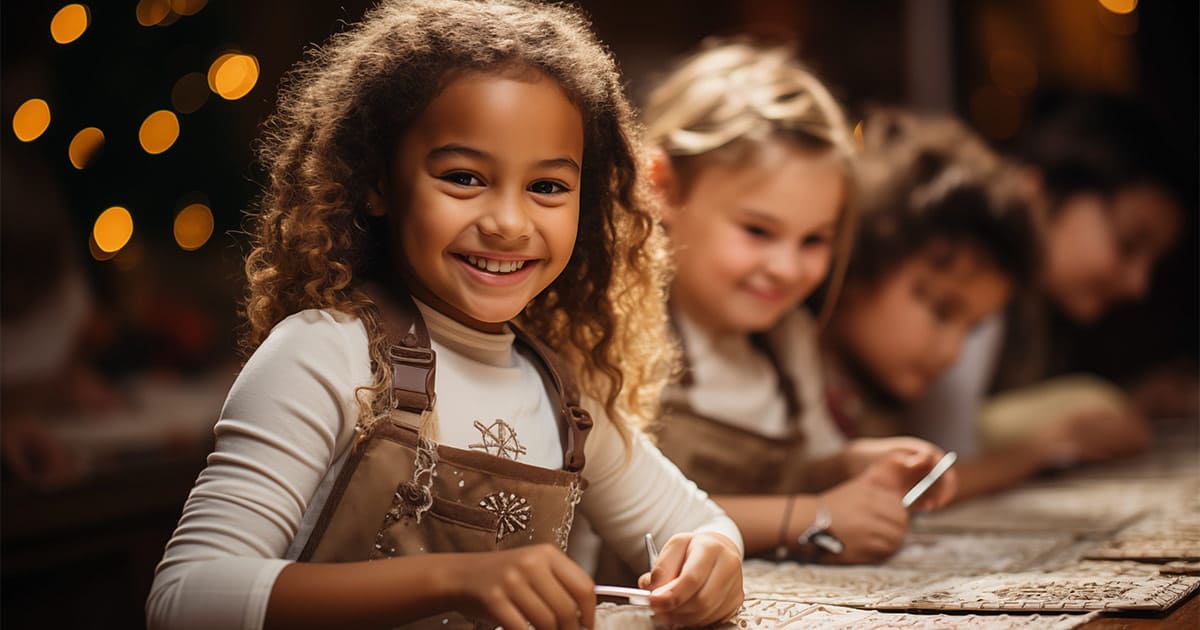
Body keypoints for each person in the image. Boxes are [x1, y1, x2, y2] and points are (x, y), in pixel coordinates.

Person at [145, 2, 744, 628]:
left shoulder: (565, 397)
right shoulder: (322, 354)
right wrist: (451, 580)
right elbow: (186, 598)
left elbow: (700, 524)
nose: (509, 223)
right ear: (377, 183)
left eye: (546, 187)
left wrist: (713, 557)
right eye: (463, 177)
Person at [637, 40, 956, 568]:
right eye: (758, 231)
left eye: (814, 241)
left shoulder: (787, 339)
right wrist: (813, 516)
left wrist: (862, 463)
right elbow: (624, 512)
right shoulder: (621, 332)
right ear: (663, 189)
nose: (787, 269)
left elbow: (811, 461)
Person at [906, 93, 1188, 498]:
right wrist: (1044, 446)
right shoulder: (971, 276)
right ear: (1042, 192)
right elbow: (946, 449)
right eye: (1128, 244)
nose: (1137, 284)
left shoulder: (1037, 316)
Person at [819, 110, 1064, 501]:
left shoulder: (873, 392)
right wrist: (1037, 452)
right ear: (861, 261)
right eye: (940, 310)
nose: (953, 352)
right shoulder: (787, 366)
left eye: (972, 328)